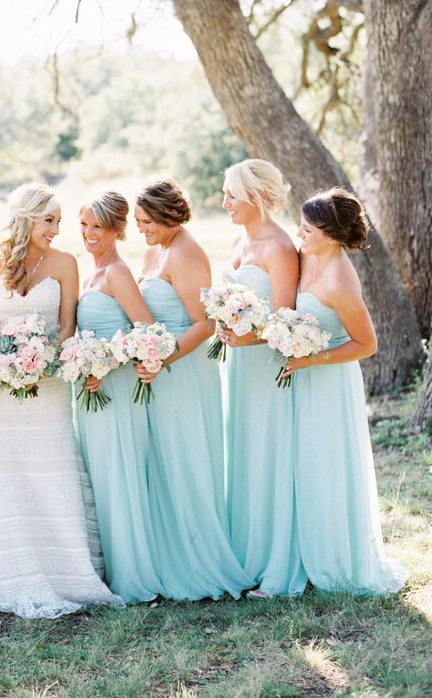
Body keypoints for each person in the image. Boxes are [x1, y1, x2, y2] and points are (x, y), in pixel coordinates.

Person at [0, 182, 120, 618]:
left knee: (52, 468)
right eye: (49, 220)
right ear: (26, 218)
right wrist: (6, 363)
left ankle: (65, 569)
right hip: (3, 391)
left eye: (59, 221)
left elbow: (66, 327)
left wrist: (41, 360)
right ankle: (7, 567)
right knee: (7, 470)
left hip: (49, 386)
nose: (56, 229)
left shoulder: (66, 263)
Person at [280, 187, 407, 594]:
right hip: (303, 375)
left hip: (329, 381)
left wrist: (308, 359)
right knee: (304, 463)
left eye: (308, 230)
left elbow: (367, 344)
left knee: (327, 464)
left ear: (333, 235)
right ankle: (304, 548)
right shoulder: (307, 257)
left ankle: (334, 558)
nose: (300, 236)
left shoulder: (340, 279)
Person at [136, 177, 251, 600]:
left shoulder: (187, 253)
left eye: (148, 221)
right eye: (137, 221)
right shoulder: (156, 247)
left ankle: (197, 563)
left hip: (183, 371)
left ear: (169, 216)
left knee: (185, 457)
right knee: (162, 459)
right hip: (157, 369)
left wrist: (162, 358)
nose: (141, 229)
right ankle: (167, 556)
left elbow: (205, 324)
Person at [220, 158, 305, 597]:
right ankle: (248, 553)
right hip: (240, 367)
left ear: (256, 197)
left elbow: (285, 323)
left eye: (232, 195)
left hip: (269, 367)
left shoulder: (279, 247)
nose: (225, 202)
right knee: (246, 450)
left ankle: (278, 565)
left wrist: (244, 338)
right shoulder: (240, 239)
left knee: (270, 452)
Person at [76, 191, 161, 603]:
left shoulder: (117, 273)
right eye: (85, 224)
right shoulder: (90, 270)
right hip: (94, 389)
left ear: (117, 230)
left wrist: (105, 362)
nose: (90, 233)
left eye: (99, 226)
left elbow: (146, 331)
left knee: (119, 474)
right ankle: (108, 566)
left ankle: (132, 576)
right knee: (101, 478)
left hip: (118, 390)